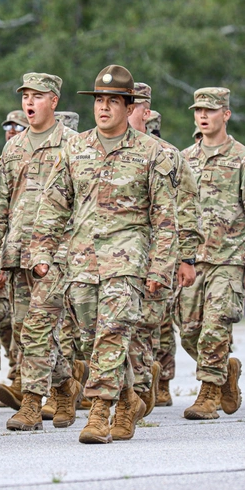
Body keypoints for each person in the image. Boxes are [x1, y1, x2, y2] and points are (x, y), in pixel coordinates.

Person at [29, 65, 179, 444]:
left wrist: (161, 266)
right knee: (88, 339)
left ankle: (98, 413)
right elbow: (54, 204)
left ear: (129, 107)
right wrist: (41, 250)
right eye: (99, 100)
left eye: (113, 101)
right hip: (80, 260)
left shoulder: (151, 153)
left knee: (112, 332)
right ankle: (128, 398)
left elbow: (165, 218)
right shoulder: (75, 149)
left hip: (127, 260)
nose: (104, 108)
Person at [0, 73, 78, 429]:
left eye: (38, 96)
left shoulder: (73, 144)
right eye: (25, 97)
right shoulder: (14, 146)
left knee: (37, 328)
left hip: (57, 253)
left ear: (54, 100)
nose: (29, 103)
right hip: (18, 252)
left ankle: (32, 405)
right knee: (27, 331)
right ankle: (65, 386)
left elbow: (83, 203)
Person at [178, 87, 245, 419]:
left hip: (230, 260)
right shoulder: (185, 158)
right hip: (192, 259)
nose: (203, 116)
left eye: (210, 111)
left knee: (215, 325)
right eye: (198, 111)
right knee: (190, 332)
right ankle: (225, 373)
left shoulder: (244, 160)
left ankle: (207, 395)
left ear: (226, 115)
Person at [127, 82, 200, 416]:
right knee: (111, 327)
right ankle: (135, 388)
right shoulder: (97, 150)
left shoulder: (169, 155)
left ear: (146, 111)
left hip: (158, 257)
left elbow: (186, 208)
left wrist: (185, 258)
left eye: (134, 105)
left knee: (143, 324)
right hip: (114, 257)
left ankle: (139, 390)